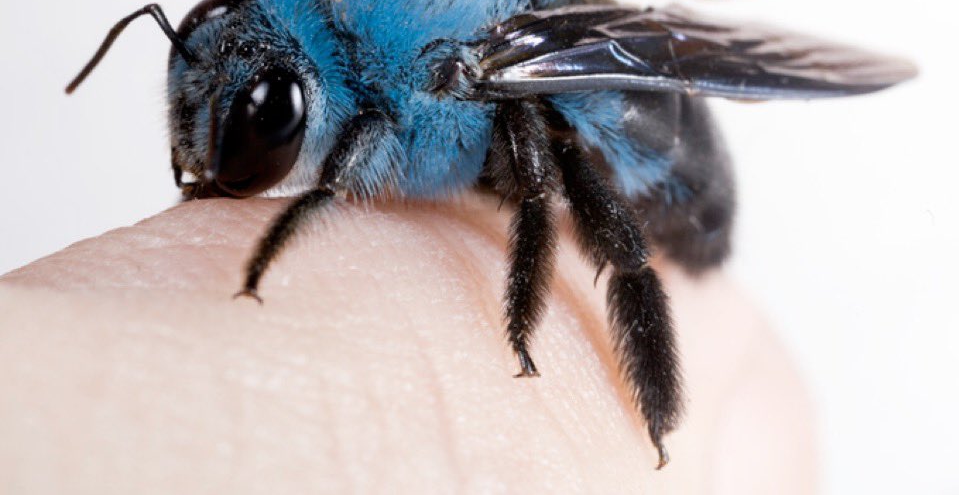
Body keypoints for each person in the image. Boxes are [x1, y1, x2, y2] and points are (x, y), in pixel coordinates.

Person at [0, 194, 816, 493]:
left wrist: (521, 323)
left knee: (547, 159)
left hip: (664, 172)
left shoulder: (433, 72)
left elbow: (534, 176)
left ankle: (659, 409)